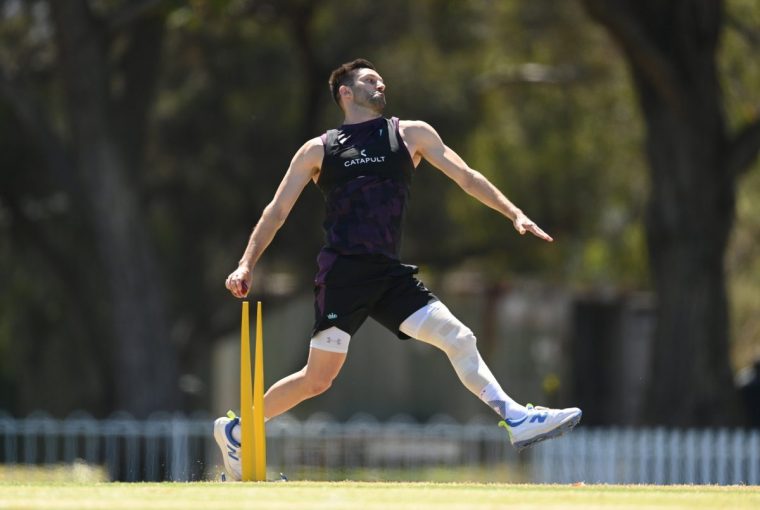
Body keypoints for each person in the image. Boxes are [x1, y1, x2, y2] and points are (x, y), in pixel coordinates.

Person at [214, 58, 581, 480]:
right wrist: (246, 263)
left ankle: (515, 417)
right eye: (370, 80)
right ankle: (239, 430)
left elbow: (466, 175)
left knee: (458, 336)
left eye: (382, 79)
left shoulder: (410, 134)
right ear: (345, 92)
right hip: (343, 274)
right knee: (317, 380)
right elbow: (276, 212)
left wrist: (512, 212)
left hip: (389, 276)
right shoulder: (319, 149)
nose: (380, 84)